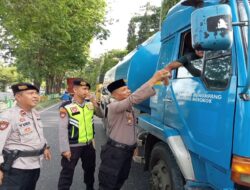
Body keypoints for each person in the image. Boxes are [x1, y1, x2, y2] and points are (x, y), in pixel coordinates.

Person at [98, 68, 170, 190]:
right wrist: (153, 79)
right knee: (108, 183)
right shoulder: (114, 106)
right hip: (114, 153)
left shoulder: (127, 107)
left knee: (121, 179)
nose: (128, 91)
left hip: (126, 152)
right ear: (115, 94)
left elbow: (131, 127)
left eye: (128, 88)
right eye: (124, 90)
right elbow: (133, 99)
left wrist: (134, 145)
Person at [0, 82, 51, 190]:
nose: (36, 96)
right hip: (16, 168)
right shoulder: (8, 116)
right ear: (18, 97)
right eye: (31, 93)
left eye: (36, 93)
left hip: (34, 165)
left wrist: (45, 146)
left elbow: (38, 133)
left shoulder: (35, 113)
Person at [58, 79, 102, 190]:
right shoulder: (66, 106)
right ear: (75, 90)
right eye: (84, 89)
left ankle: (89, 187)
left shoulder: (89, 105)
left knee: (90, 170)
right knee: (67, 173)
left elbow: (101, 115)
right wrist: (65, 149)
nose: (86, 91)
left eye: (87, 89)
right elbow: (62, 129)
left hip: (89, 146)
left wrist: (94, 102)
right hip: (73, 147)